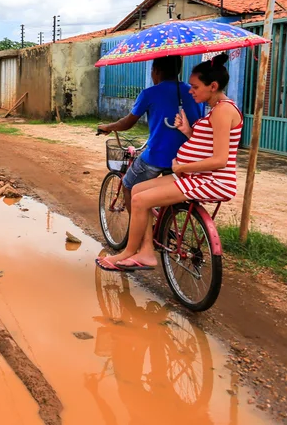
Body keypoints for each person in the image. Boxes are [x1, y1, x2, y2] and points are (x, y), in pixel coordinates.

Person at [97, 54, 242, 271]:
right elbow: (208, 144)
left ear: (213, 86)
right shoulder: (215, 109)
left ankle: (130, 252)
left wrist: (182, 167)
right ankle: (146, 251)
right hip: (197, 176)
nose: (190, 90)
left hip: (208, 180)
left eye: (194, 86)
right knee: (137, 189)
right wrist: (187, 131)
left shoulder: (223, 111)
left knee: (138, 199)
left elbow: (220, 159)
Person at [97, 56, 203, 217]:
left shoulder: (149, 94)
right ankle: (164, 227)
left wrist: (109, 127)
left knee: (128, 186)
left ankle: (137, 230)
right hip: (187, 158)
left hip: (157, 157)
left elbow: (128, 122)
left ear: (156, 72)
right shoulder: (194, 93)